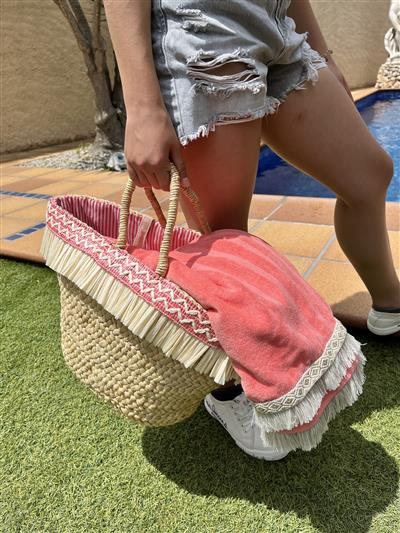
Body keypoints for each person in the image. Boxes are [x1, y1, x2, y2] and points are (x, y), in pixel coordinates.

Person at [103, 0, 400, 460]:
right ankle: (226, 392)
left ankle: (391, 309)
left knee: (369, 175)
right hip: (206, 34)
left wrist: (326, 57)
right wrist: (142, 106)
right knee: (223, 242)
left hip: (278, 28)